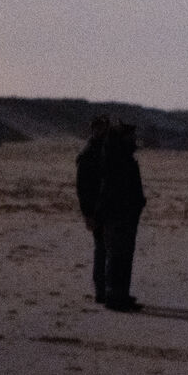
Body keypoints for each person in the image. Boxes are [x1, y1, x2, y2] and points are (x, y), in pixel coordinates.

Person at [96, 120, 146, 312]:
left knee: (124, 257)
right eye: (130, 136)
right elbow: (114, 190)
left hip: (126, 214)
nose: (134, 139)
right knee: (117, 257)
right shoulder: (116, 159)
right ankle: (114, 296)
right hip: (118, 215)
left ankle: (122, 294)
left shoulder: (123, 157)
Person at [75, 115, 110, 303]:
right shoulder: (88, 153)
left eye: (103, 128)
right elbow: (82, 188)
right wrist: (87, 214)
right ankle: (100, 290)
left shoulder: (107, 150)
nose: (101, 131)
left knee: (108, 250)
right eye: (98, 128)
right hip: (96, 209)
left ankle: (106, 289)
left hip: (108, 208)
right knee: (101, 250)